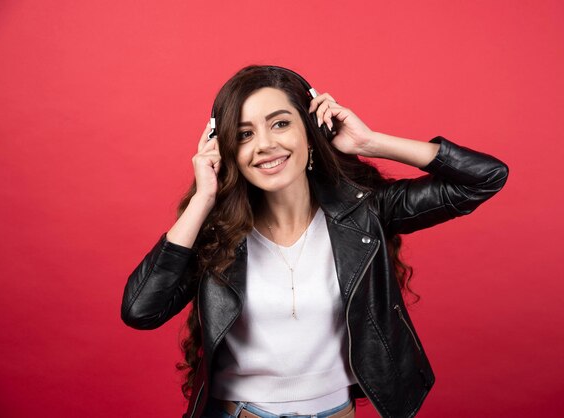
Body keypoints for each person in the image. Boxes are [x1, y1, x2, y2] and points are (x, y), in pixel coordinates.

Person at [121, 65, 509, 418]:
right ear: (227, 149)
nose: (264, 145)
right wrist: (205, 197)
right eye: (244, 134)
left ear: (311, 131)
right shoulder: (214, 232)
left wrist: (370, 142)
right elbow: (141, 310)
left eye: (279, 124)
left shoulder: (364, 214)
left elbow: (485, 178)